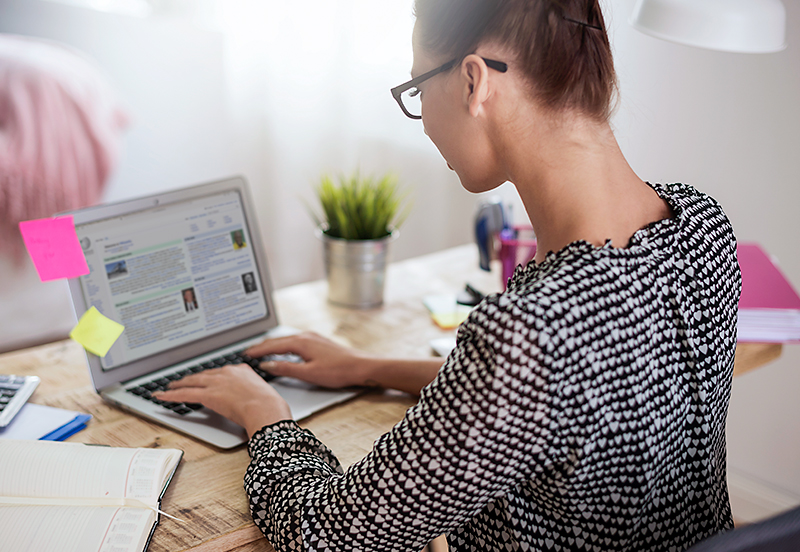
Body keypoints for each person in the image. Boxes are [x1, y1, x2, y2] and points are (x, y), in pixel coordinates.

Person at [155, 1, 740, 550]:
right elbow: (565, 398)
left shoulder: (535, 331)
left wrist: (267, 416)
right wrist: (366, 368)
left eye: (416, 87)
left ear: (472, 82)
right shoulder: (704, 227)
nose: (425, 123)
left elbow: (328, 534)